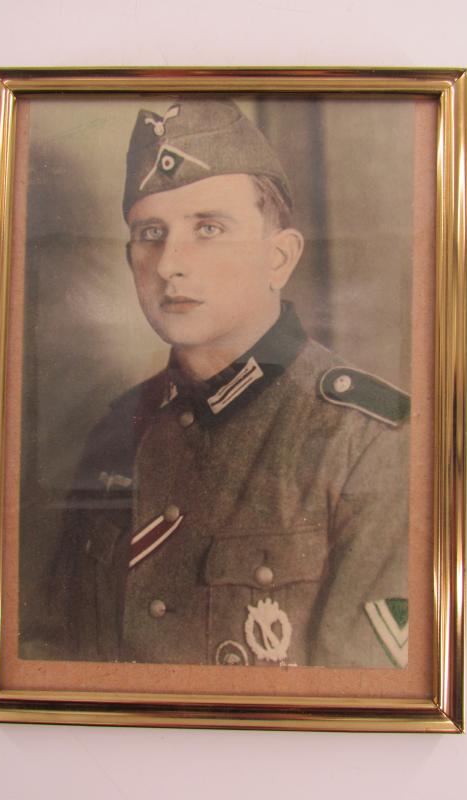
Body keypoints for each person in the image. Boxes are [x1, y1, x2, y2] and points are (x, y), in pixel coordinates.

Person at [50, 98, 410, 669]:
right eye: (150, 233)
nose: (169, 263)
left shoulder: (371, 442)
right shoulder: (118, 428)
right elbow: (56, 656)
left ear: (279, 257)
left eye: (209, 228)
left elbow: (363, 716)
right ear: (129, 259)